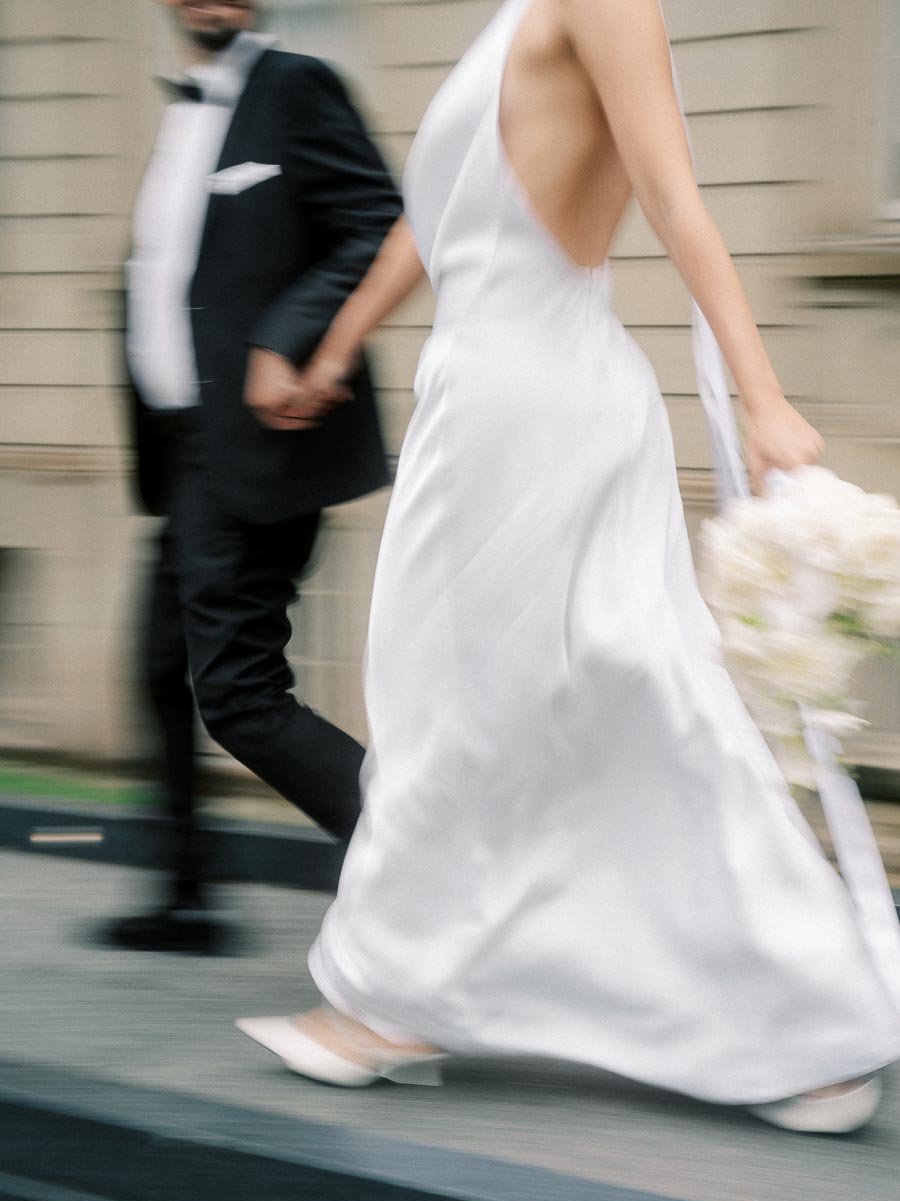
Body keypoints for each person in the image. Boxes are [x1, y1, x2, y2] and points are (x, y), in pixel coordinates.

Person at [237, 0, 900, 1131]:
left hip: (536, 402)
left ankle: (795, 1021)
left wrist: (764, 400)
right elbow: (429, 223)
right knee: (491, 698)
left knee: (579, 689)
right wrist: (339, 346)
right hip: (482, 398)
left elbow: (673, 193)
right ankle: (435, 988)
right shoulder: (518, 18)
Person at [105, 0, 402, 952]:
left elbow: (381, 225)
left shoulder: (297, 87)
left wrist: (287, 338)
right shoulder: (187, 113)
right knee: (160, 670)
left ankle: (437, 867)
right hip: (183, 453)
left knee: (239, 694)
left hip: (258, 441)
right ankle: (188, 896)